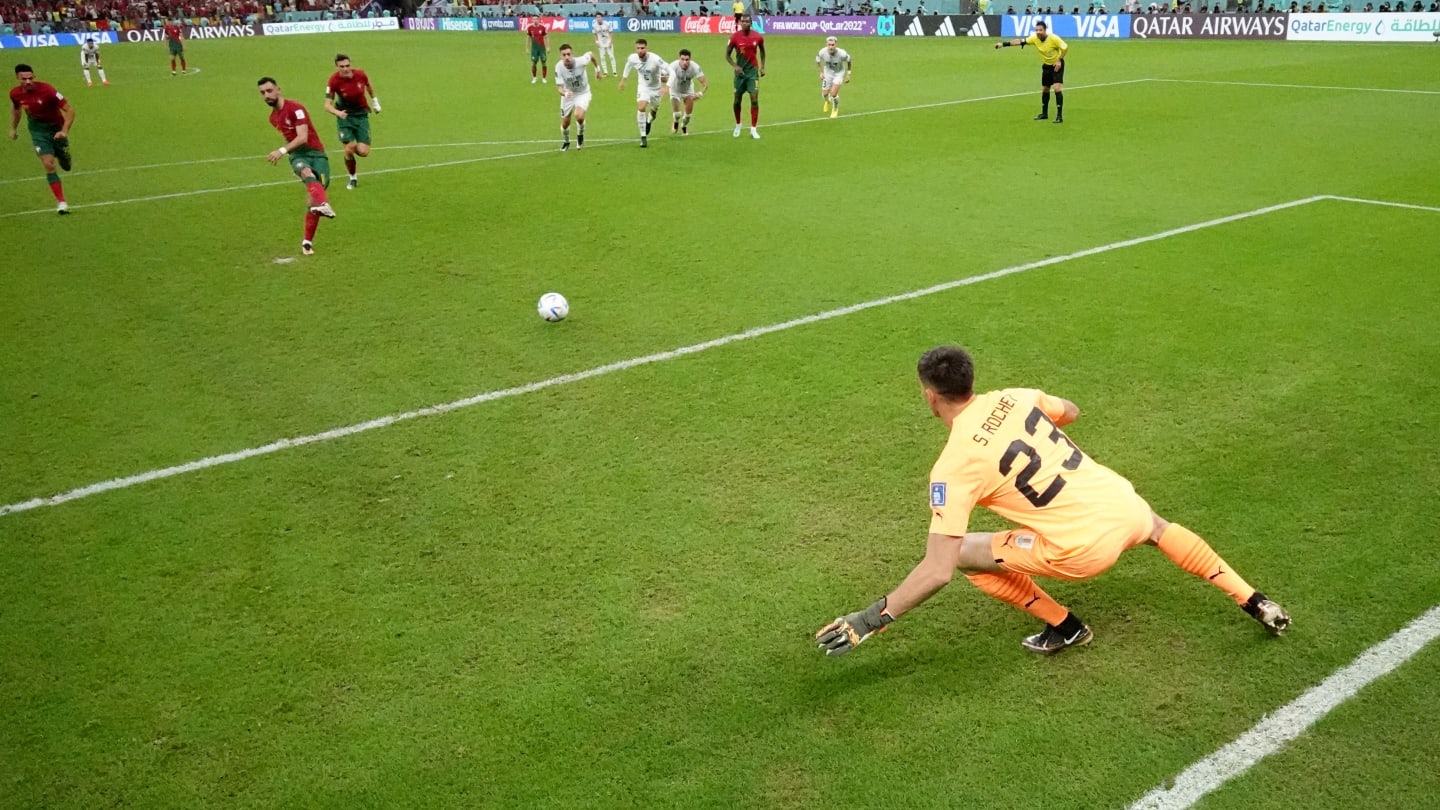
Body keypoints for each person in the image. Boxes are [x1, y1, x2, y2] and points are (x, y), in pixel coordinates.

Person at [815, 346, 1291, 659]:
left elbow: (937, 569)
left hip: (1082, 550)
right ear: (970, 380)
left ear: (929, 396)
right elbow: (1072, 412)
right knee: (1158, 527)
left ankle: (1064, 627)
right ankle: (1255, 600)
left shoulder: (953, 467)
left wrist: (871, 617)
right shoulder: (1017, 397)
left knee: (963, 554)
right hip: (1123, 506)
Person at [258, 76, 336, 256]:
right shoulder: (273, 117)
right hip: (298, 156)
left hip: (317, 155)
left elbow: (303, 137)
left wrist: (281, 150)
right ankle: (325, 204)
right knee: (305, 171)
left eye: (269, 91)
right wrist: (289, 153)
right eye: (263, 93)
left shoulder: (296, 109)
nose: (266, 95)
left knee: (312, 200)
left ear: (278, 89)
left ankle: (307, 242)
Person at [8, 63, 74, 214]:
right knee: (48, 164)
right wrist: (13, 128)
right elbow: (17, 110)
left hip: (57, 128)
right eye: (24, 79)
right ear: (17, 78)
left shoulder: (48, 90)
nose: (28, 81)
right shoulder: (15, 94)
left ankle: (64, 154)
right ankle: (61, 202)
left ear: (34, 76)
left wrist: (64, 131)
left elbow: (70, 110)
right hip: (38, 132)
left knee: (66, 165)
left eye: (30, 78)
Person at [323, 53, 380, 191]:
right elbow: (327, 105)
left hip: (361, 115)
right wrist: (338, 113)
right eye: (342, 66)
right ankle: (352, 177)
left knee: (363, 152)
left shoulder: (361, 74)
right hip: (345, 117)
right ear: (337, 67)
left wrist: (375, 102)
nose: (345, 69)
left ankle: (351, 151)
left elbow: (369, 86)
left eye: (347, 65)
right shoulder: (333, 81)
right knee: (349, 148)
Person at [995, 19, 1066, 123]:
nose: (1038, 32)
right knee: (1045, 89)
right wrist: (1003, 44)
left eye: (1040, 30)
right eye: (1036, 30)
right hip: (1046, 66)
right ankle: (1044, 114)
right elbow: (1020, 41)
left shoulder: (1053, 38)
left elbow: (1065, 47)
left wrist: (1059, 60)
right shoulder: (1034, 38)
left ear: (1045, 30)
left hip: (1057, 65)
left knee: (1057, 88)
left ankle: (1059, 116)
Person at [617, 38, 668, 148]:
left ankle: (649, 120)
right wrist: (623, 80)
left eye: (642, 48)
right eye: (638, 48)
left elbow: (668, 70)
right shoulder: (633, 58)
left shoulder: (655, 59)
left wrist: (666, 83)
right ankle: (643, 137)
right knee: (641, 107)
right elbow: (628, 65)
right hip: (643, 87)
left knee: (654, 112)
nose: (640, 50)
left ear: (646, 48)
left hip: (656, 89)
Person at [725, 13, 765, 139]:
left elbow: (763, 51)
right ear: (740, 23)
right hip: (740, 74)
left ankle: (753, 129)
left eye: (747, 21)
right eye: (743, 21)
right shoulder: (735, 37)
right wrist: (735, 66)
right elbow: (727, 55)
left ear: (751, 23)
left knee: (754, 99)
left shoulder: (757, 37)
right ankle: (738, 124)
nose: (745, 23)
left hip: (752, 73)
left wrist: (763, 66)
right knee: (737, 100)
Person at [554, 43, 595, 151]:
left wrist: (597, 69)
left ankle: (580, 136)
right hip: (568, 94)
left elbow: (591, 54)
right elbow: (559, 88)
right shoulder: (559, 67)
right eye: (564, 55)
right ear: (560, 56)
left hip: (583, 93)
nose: (566, 57)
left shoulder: (581, 61)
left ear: (572, 54)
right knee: (565, 122)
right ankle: (566, 142)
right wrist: (565, 93)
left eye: (568, 54)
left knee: (579, 115)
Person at [666, 48, 707, 135]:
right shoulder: (672, 66)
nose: (685, 62)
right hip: (675, 90)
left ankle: (684, 126)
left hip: (688, 91)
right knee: (677, 114)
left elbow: (705, 84)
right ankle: (676, 121)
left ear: (690, 59)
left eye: (687, 60)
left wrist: (700, 93)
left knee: (688, 117)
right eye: (682, 59)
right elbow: (663, 77)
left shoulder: (695, 67)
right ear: (679, 59)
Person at [815, 35, 851, 119]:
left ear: (836, 45)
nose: (831, 47)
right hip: (827, 73)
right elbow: (817, 59)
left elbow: (849, 60)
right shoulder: (822, 52)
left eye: (832, 45)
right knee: (825, 94)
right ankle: (827, 101)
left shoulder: (842, 53)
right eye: (829, 45)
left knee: (833, 94)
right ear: (826, 44)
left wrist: (848, 74)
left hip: (839, 73)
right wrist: (820, 72)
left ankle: (835, 108)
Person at [592, 14, 617, 79]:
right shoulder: (594, 25)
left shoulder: (607, 24)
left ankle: (614, 71)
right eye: (597, 17)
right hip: (601, 43)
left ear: (602, 17)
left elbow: (611, 32)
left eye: (599, 17)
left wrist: (611, 42)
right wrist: (596, 42)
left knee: (611, 56)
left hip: (608, 42)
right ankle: (605, 72)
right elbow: (594, 34)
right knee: (602, 57)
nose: (598, 18)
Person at [525, 17, 549, 84]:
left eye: (536, 19)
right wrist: (527, 48)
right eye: (534, 19)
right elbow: (528, 38)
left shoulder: (542, 28)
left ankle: (544, 78)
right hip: (534, 49)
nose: (535, 20)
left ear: (538, 20)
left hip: (542, 49)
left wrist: (548, 47)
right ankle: (534, 78)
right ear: (532, 20)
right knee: (534, 63)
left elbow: (546, 37)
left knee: (544, 63)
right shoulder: (530, 28)